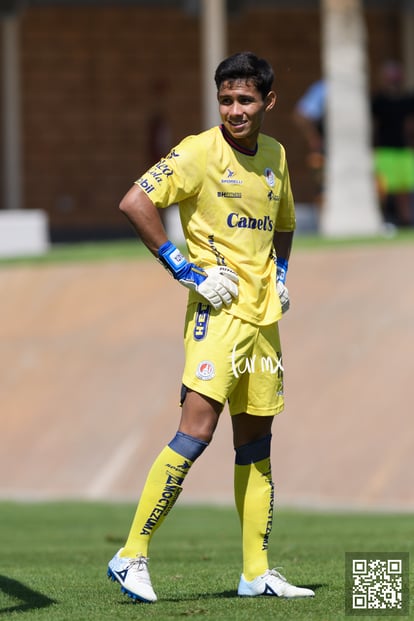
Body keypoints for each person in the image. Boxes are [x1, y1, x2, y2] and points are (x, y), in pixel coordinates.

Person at [107, 51, 315, 603]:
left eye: (245, 99)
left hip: (263, 320)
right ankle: (131, 555)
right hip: (216, 317)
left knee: (256, 444)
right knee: (195, 433)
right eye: (225, 100)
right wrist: (187, 270)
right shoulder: (199, 152)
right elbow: (135, 202)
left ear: (267, 101)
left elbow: (286, 223)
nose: (234, 110)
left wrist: (282, 274)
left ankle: (255, 571)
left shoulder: (276, 154)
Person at [371, 60, 414, 227]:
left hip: (404, 150)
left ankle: (406, 221)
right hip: (384, 149)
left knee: (404, 188)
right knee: (383, 188)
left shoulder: (409, 99)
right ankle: (382, 220)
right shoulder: (378, 100)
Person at [292, 79, 326, 206]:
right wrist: (313, 137)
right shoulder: (323, 88)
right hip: (323, 149)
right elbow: (301, 114)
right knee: (323, 187)